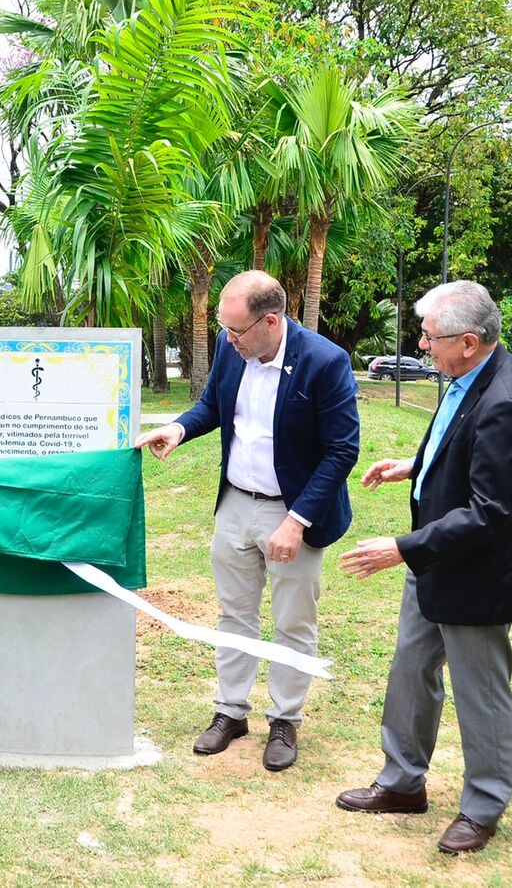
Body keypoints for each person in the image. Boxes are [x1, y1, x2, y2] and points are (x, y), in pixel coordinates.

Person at [337, 280, 512, 856]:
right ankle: (403, 783)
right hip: (436, 564)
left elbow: (490, 512)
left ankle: (482, 807)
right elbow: (460, 439)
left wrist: (402, 548)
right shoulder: (464, 376)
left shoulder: (506, 401)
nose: (422, 346)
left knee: (480, 693)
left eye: (430, 337)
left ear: (471, 342)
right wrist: (416, 464)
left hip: (476, 574)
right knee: (411, 669)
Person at [135, 270, 359, 770]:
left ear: (271, 321)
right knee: (234, 614)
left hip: (292, 510)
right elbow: (214, 405)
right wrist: (177, 428)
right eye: (225, 329)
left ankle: (285, 721)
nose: (228, 340)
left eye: (236, 331)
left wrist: (297, 520)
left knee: (292, 619)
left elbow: (342, 450)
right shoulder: (230, 344)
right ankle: (230, 712)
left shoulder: (325, 362)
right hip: (236, 503)